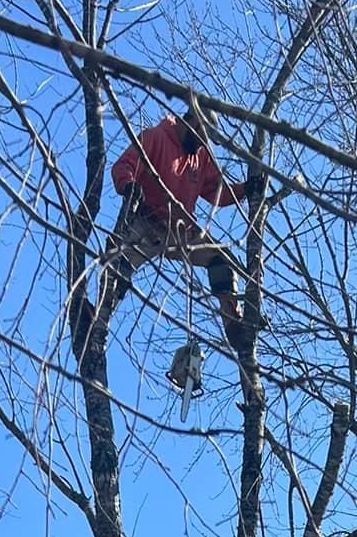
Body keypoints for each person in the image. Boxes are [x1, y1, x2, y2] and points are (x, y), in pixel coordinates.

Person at [107, 100, 250, 356]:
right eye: (202, 136)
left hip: (181, 231)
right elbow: (122, 166)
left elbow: (217, 192)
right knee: (117, 270)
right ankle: (99, 319)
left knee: (222, 260)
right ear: (192, 122)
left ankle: (234, 323)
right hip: (146, 222)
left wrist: (246, 190)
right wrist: (128, 186)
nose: (203, 144)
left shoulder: (201, 157)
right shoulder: (155, 137)